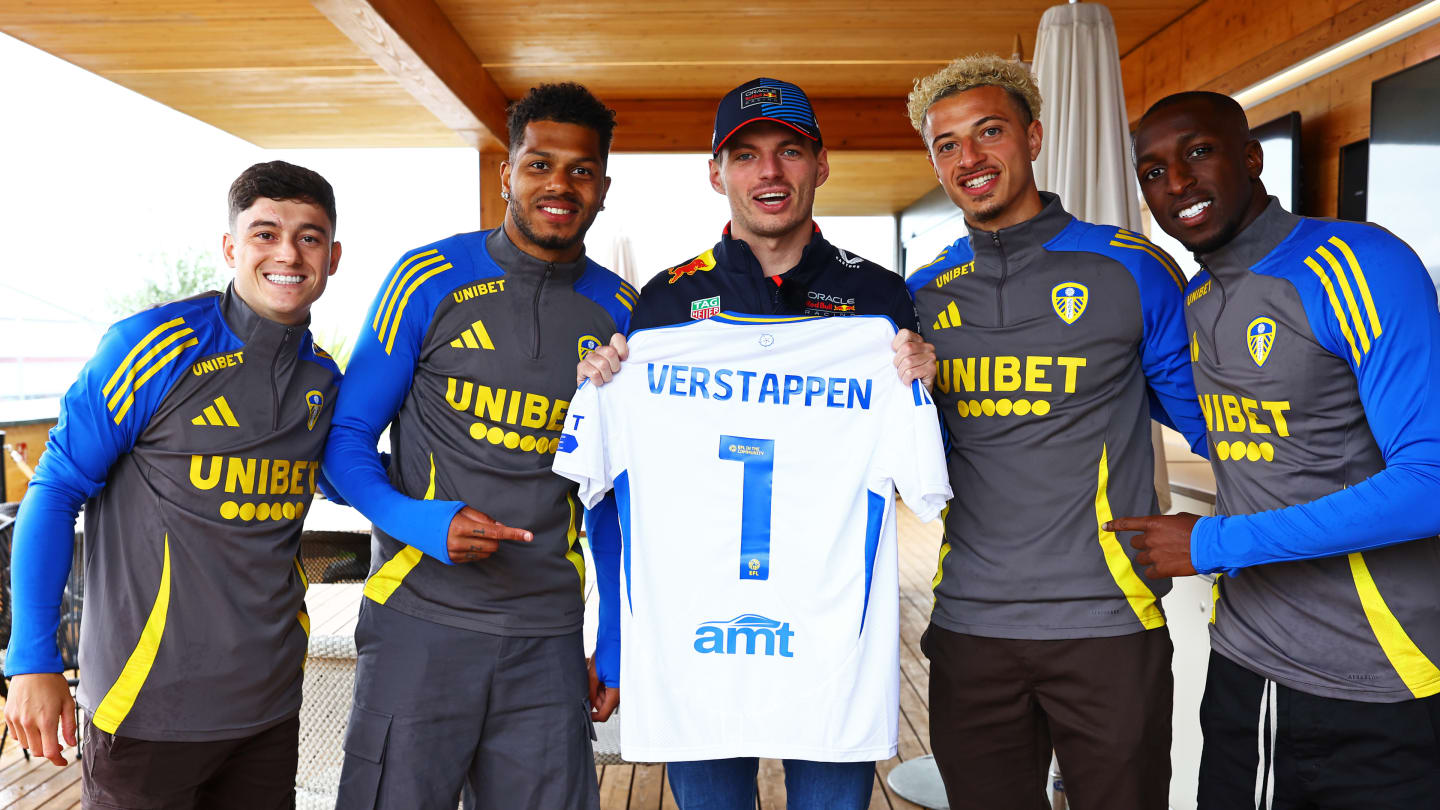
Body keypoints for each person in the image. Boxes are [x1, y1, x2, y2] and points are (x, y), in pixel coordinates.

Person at [575, 76, 934, 810]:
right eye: (745, 155)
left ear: (820, 164)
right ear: (716, 173)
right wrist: (615, 637)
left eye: (789, 152)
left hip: (833, 646)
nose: (768, 172)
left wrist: (919, 381)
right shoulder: (666, 304)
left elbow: (929, 474)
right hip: (692, 644)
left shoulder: (881, 303)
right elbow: (611, 498)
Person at [1116, 90, 1440, 808]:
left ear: (1250, 157)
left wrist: (1210, 544)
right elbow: (1231, 439)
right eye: (1152, 172)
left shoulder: (1359, 262)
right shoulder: (1197, 302)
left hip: (1377, 678)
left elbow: (1430, 481)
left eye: (1197, 152)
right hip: (1246, 669)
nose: (1177, 184)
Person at [902, 55, 1208, 810]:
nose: (969, 158)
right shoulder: (921, 299)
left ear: (1033, 137)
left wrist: (1247, 533)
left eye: (989, 132)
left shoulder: (1132, 270)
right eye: (947, 145)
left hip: (1107, 622)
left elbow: (1216, 424)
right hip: (971, 623)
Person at [322, 82, 633, 810]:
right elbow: (345, 441)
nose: (559, 184)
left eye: (580, 170)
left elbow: (612, 498)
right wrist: (423, 523)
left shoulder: (622, 310)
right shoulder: (427, 278)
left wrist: (613, 639)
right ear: (508, 174)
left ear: (603, 186)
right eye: (539, 164)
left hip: (547, 639)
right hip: (417, 624)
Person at [4, 161, 343, 809]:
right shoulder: (153, 345)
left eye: (309, 236)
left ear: (333, 256)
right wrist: (31, 660)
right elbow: (52, 494)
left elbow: (356, 479)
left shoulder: (322, 378)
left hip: (269, 707)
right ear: (230, 248)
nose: (288, 254)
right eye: (265, 233)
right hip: (146, 709)